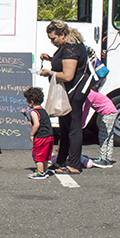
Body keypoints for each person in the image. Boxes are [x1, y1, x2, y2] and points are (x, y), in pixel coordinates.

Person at [40, 20, 91, 175]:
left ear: (62, 35)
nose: (52, 41)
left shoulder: (71, 48)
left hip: (74, 92)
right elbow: (64, 64)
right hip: (69, 92)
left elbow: (68, 75)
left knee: (73, 127)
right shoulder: (69, 46)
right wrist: (50, 58)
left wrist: (50, 73)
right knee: (65, 126)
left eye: (53, 38)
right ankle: (61, 161)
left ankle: (74, 164)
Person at [23, 86, 54, 179]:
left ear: (31, 102)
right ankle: (44, 170)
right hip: (50, 136)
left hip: (41, 137)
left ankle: (40, 172)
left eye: (27, 101)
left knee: (38, 154)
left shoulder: (34, 112)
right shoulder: (43, 111)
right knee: (45, 155)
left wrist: (32, 134)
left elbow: (37, 124)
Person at [82, 88, 118, 168]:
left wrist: (82, 123)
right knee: (110, 136)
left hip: (107, 113)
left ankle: (103, 159)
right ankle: (108, 158)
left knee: (103, 136)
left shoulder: (89, 94)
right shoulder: (94, 93)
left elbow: (86, 109)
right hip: (113, 112)